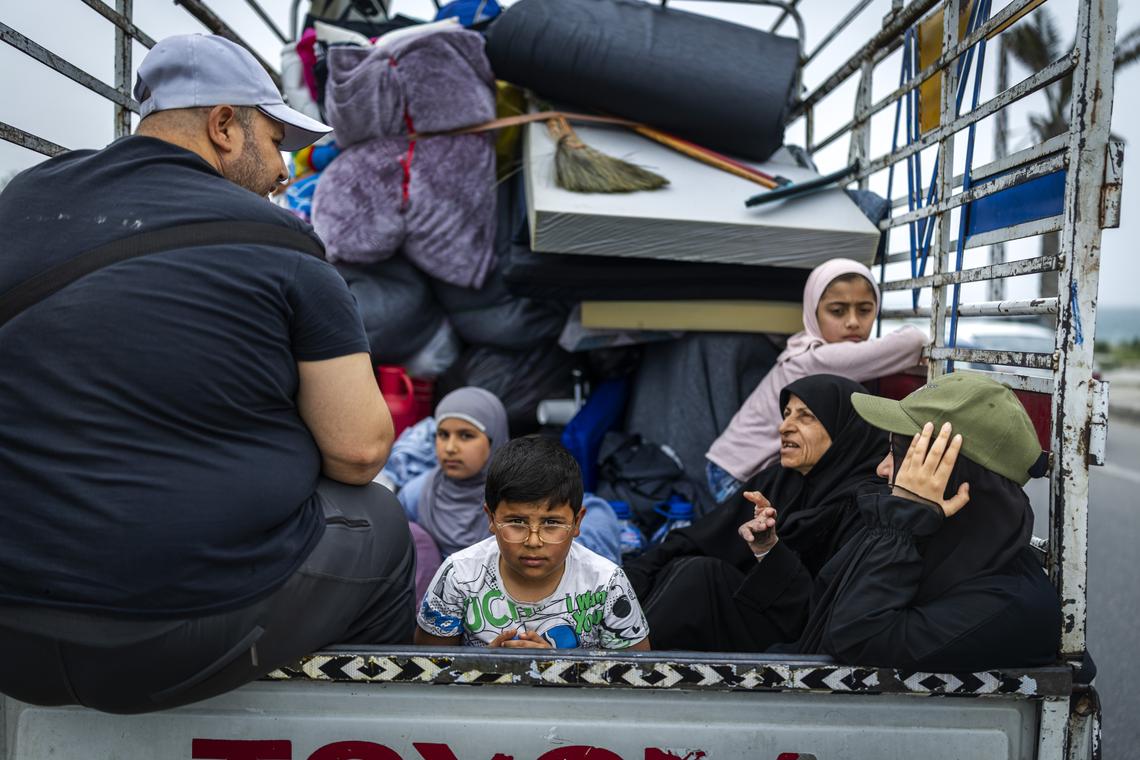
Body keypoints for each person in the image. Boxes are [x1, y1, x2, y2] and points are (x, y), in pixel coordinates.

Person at [0, 34, 415, 714]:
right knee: (383, 522)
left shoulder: (21, 201)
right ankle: (356, 726)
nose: (283, 171)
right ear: (224, 125)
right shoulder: (282, 242)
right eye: (275, 143)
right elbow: (359, 450)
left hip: (10, 635)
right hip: (165, 642)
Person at [741, 372, 1060, 670]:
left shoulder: (1009, 606)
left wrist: (902, 521)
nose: (881, 468)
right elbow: (822, 608)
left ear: (950, 474)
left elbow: (853, 638)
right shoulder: (923, 538)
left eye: (898, 453)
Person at [625, 374, 885, 652]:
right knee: (677, 567)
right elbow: (702, 538)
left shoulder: (867, 504)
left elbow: (827, 607)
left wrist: (769, 550)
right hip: (762, 616)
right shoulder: (779, 481)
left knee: (701, 579)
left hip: (807, 638)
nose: (785, 427)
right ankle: (618, 650)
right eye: (786, 414)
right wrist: (629, 580)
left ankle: (625, 663)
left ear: (844, 429)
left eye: (806, 417)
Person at [705, 258, 926, 504]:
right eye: (837, 311)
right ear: (813, 313)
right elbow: (913, 342)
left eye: (864, 310)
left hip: (734, 467)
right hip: (737, 474)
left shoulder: (807, 349)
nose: (853, 321)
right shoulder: (815, 358)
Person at [414, 436, 651, 650]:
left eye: (551, 523)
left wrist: (556, 668)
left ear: (577, 522)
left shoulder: (607, 584)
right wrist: (487, 666)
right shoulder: (459, 577)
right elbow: (428, 669)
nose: (534, 541)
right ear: (491, 519)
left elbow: (637, 676)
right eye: (516, 522)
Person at [399, 387, 623, 571]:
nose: (450, 448)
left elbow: (594, 514)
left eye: (466, 436)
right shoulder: (417, 494)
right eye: (442, 434)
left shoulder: (519, 483)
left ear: (494, 438)